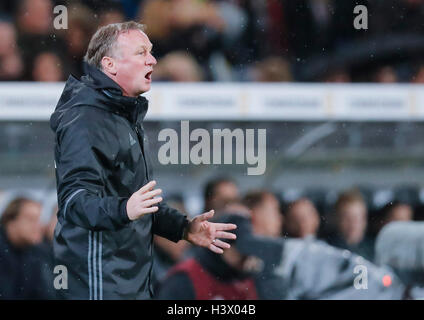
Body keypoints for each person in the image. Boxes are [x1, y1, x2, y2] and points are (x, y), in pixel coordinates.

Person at [49, 21, 236, 300]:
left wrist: (183, 227)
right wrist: (125, 208)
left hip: (129, 283)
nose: (152, 59)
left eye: (150, 51)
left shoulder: (123, 116)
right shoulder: (86, 119)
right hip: (96, 283)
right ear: (110, 65)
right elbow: (75, 202)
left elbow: (138, 204)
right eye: (141, 52)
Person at [155, 212, 283, 300]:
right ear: (222, 245)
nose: (245, 256)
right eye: (239, 249)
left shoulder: (251, 277)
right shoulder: (185, 277)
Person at [0, 197, 50, 299]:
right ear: (11, 222)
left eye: (39, 220)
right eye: (31, 219)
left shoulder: (37, 252)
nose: (38, 226)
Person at [327, 190, 374, 261]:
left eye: (357, 218)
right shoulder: (327, 250)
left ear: (365, 220)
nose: (353, 224)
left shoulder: (375, 250)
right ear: (337, 219)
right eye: (347, 218)